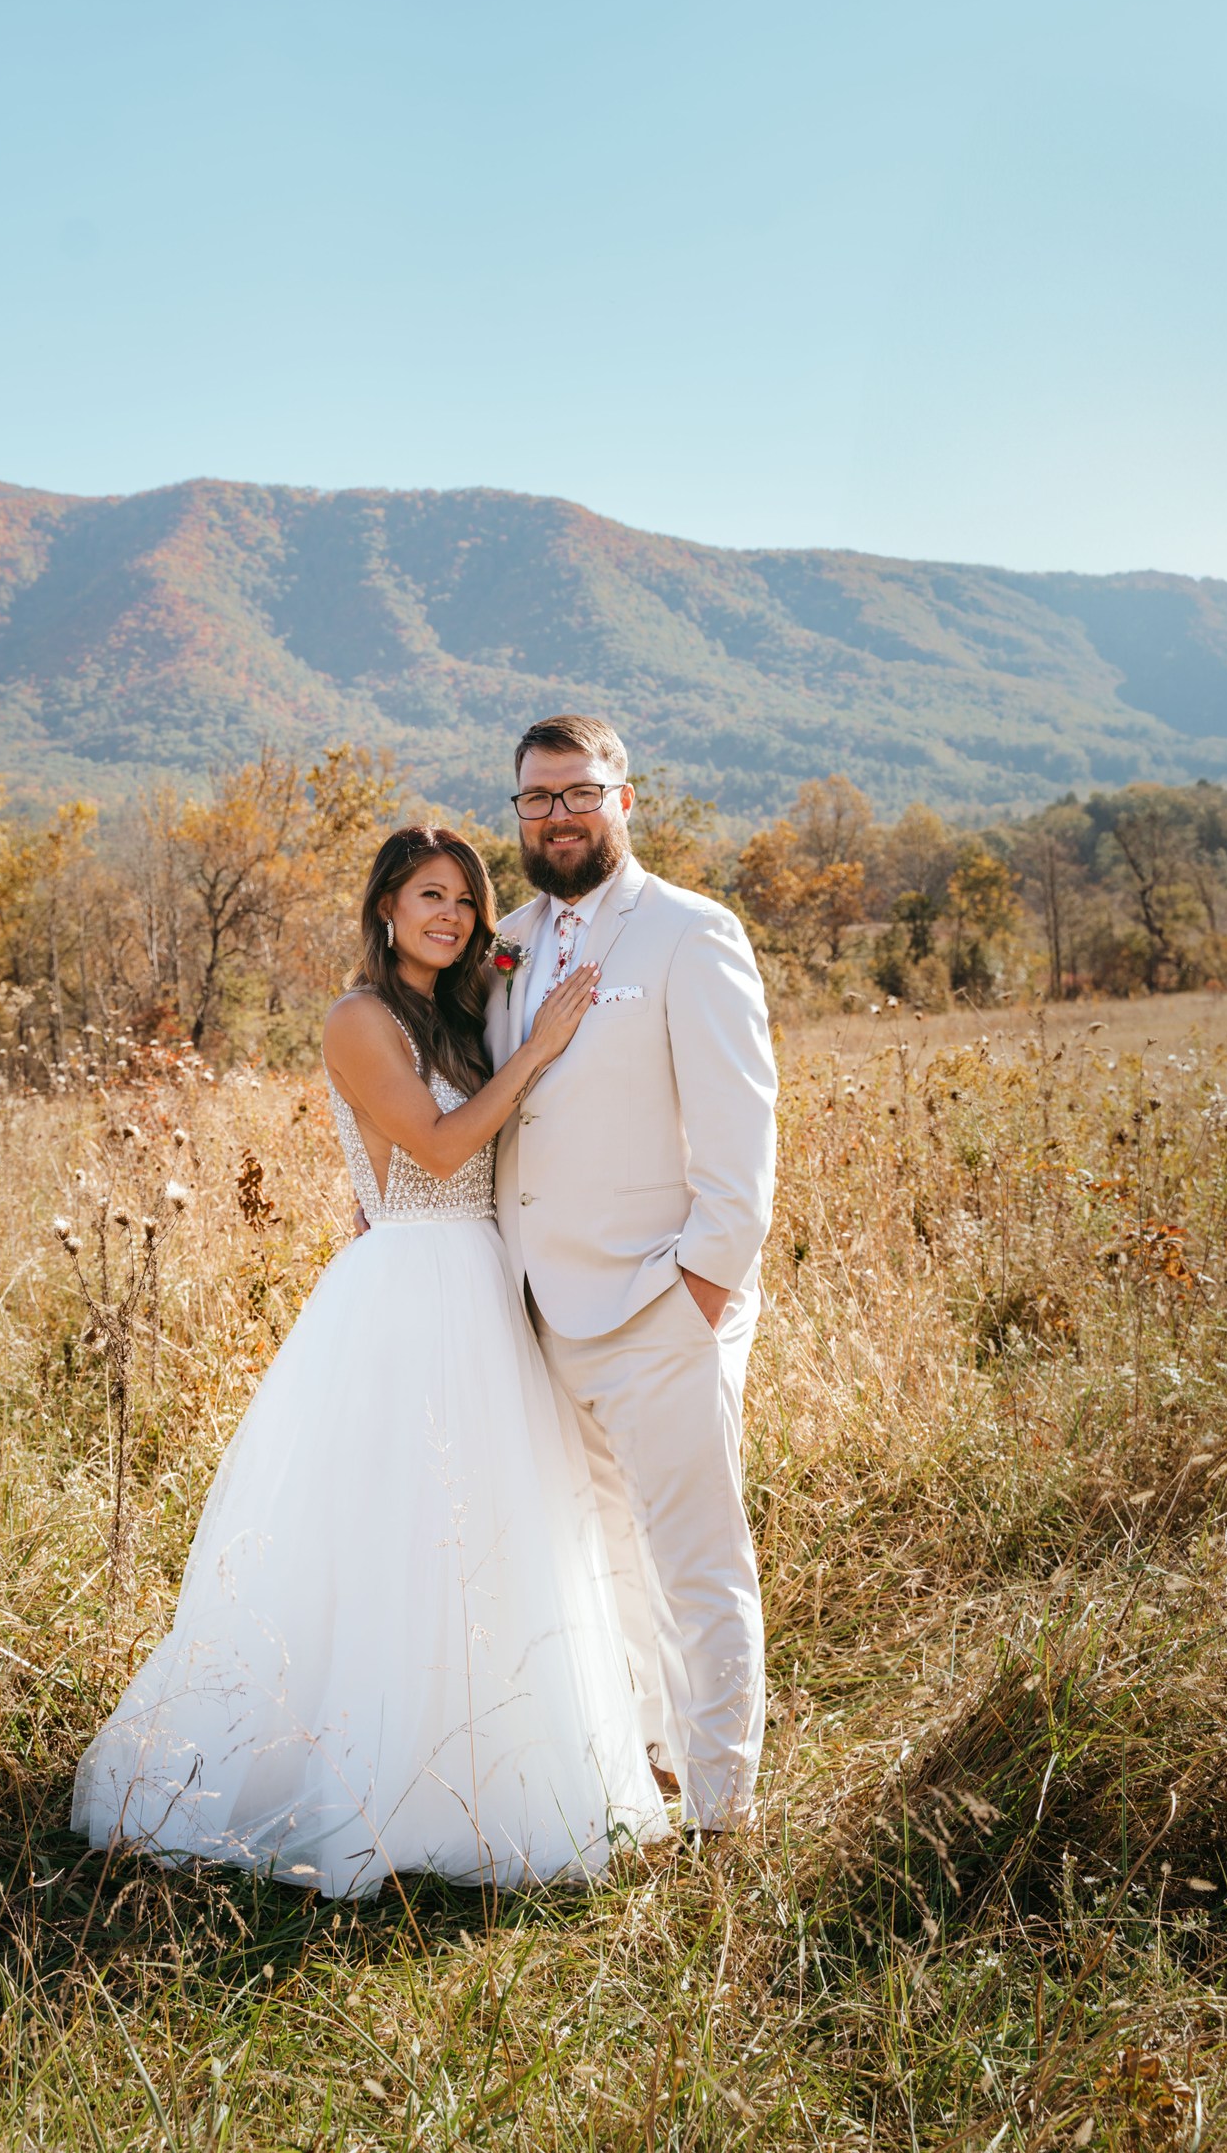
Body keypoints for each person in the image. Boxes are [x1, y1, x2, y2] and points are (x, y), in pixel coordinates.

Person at [72, 825, 667, 1894]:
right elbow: (437, 1150)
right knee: (396, 1536)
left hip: (482, 1280)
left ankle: (490, 1778)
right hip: (409, 1291)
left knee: (492, 1529)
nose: (451, 916)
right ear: (385, 906)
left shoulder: (456, 1014)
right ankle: (366, 1785)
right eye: (430, 896)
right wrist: (542, 1048)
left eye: (467, 903)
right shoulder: (359, 1017)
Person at [488, 715, 778, 1832]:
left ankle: (720, 1808)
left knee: (699, 1560)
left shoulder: (689, 933)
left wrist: (700, 1288)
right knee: (606, 1555)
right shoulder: (505, 941)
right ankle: (647, 1765)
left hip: (661, 1304)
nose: (557, 814)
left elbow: (741, 1138)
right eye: (536, 798)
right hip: (544, 1311)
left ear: (625, 797)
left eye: (578, 791)